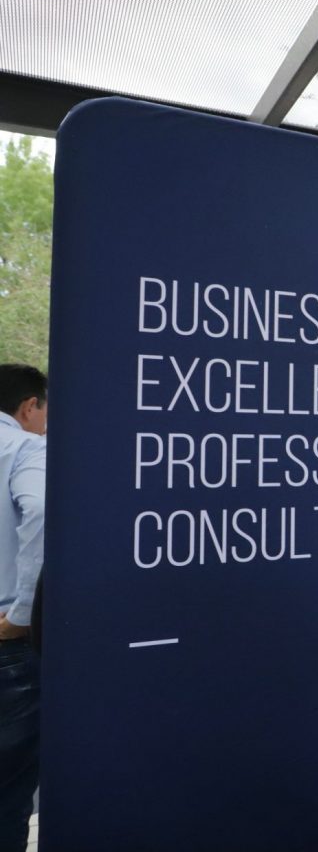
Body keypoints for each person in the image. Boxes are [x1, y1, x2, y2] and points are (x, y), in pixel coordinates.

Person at [0, 364, 47, 852]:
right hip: (6, 644)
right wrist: (22, 614)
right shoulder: (26, 448)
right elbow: (40, 511)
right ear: (30, 405)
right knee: (9, 791)